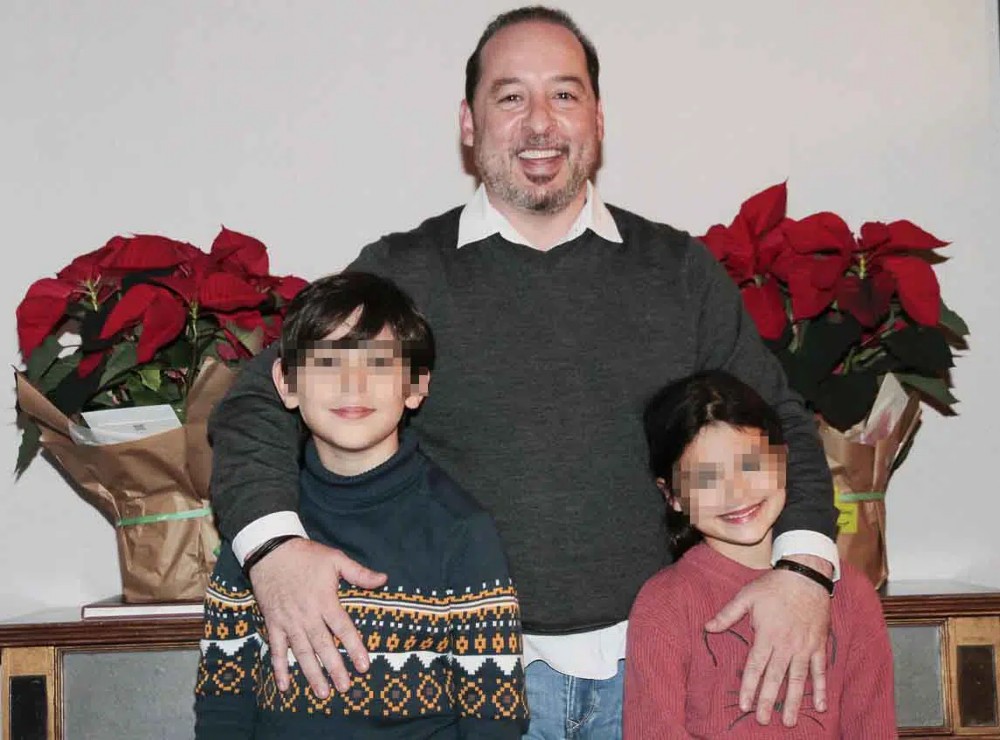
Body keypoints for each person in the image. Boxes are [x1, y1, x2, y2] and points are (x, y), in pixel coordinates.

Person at [207, 6, 841, 735]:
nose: (540, 123)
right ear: (468, 123)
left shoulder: (679, 271)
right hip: (467, 681)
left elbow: (782, 422)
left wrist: (803, 571)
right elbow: (257, 403)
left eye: (564, 94)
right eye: (510, 97)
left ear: (598, 118)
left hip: (660, 667)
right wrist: (273, 550)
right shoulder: (403, 271)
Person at [195, 272, 527, 739]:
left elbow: (494, 719)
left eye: (378, 363)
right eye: (328, 361)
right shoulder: (259, 529)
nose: (353, 384)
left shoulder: (462, 529)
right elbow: (223, 703)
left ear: (415, 386)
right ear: (286, 383)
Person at [623, 371, 896, 738]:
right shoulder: (665, 601)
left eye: (750, 465)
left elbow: (873, 727)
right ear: (672, 495)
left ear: (785, 461)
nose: (736, 492)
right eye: (706, 478)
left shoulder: (852, 594)